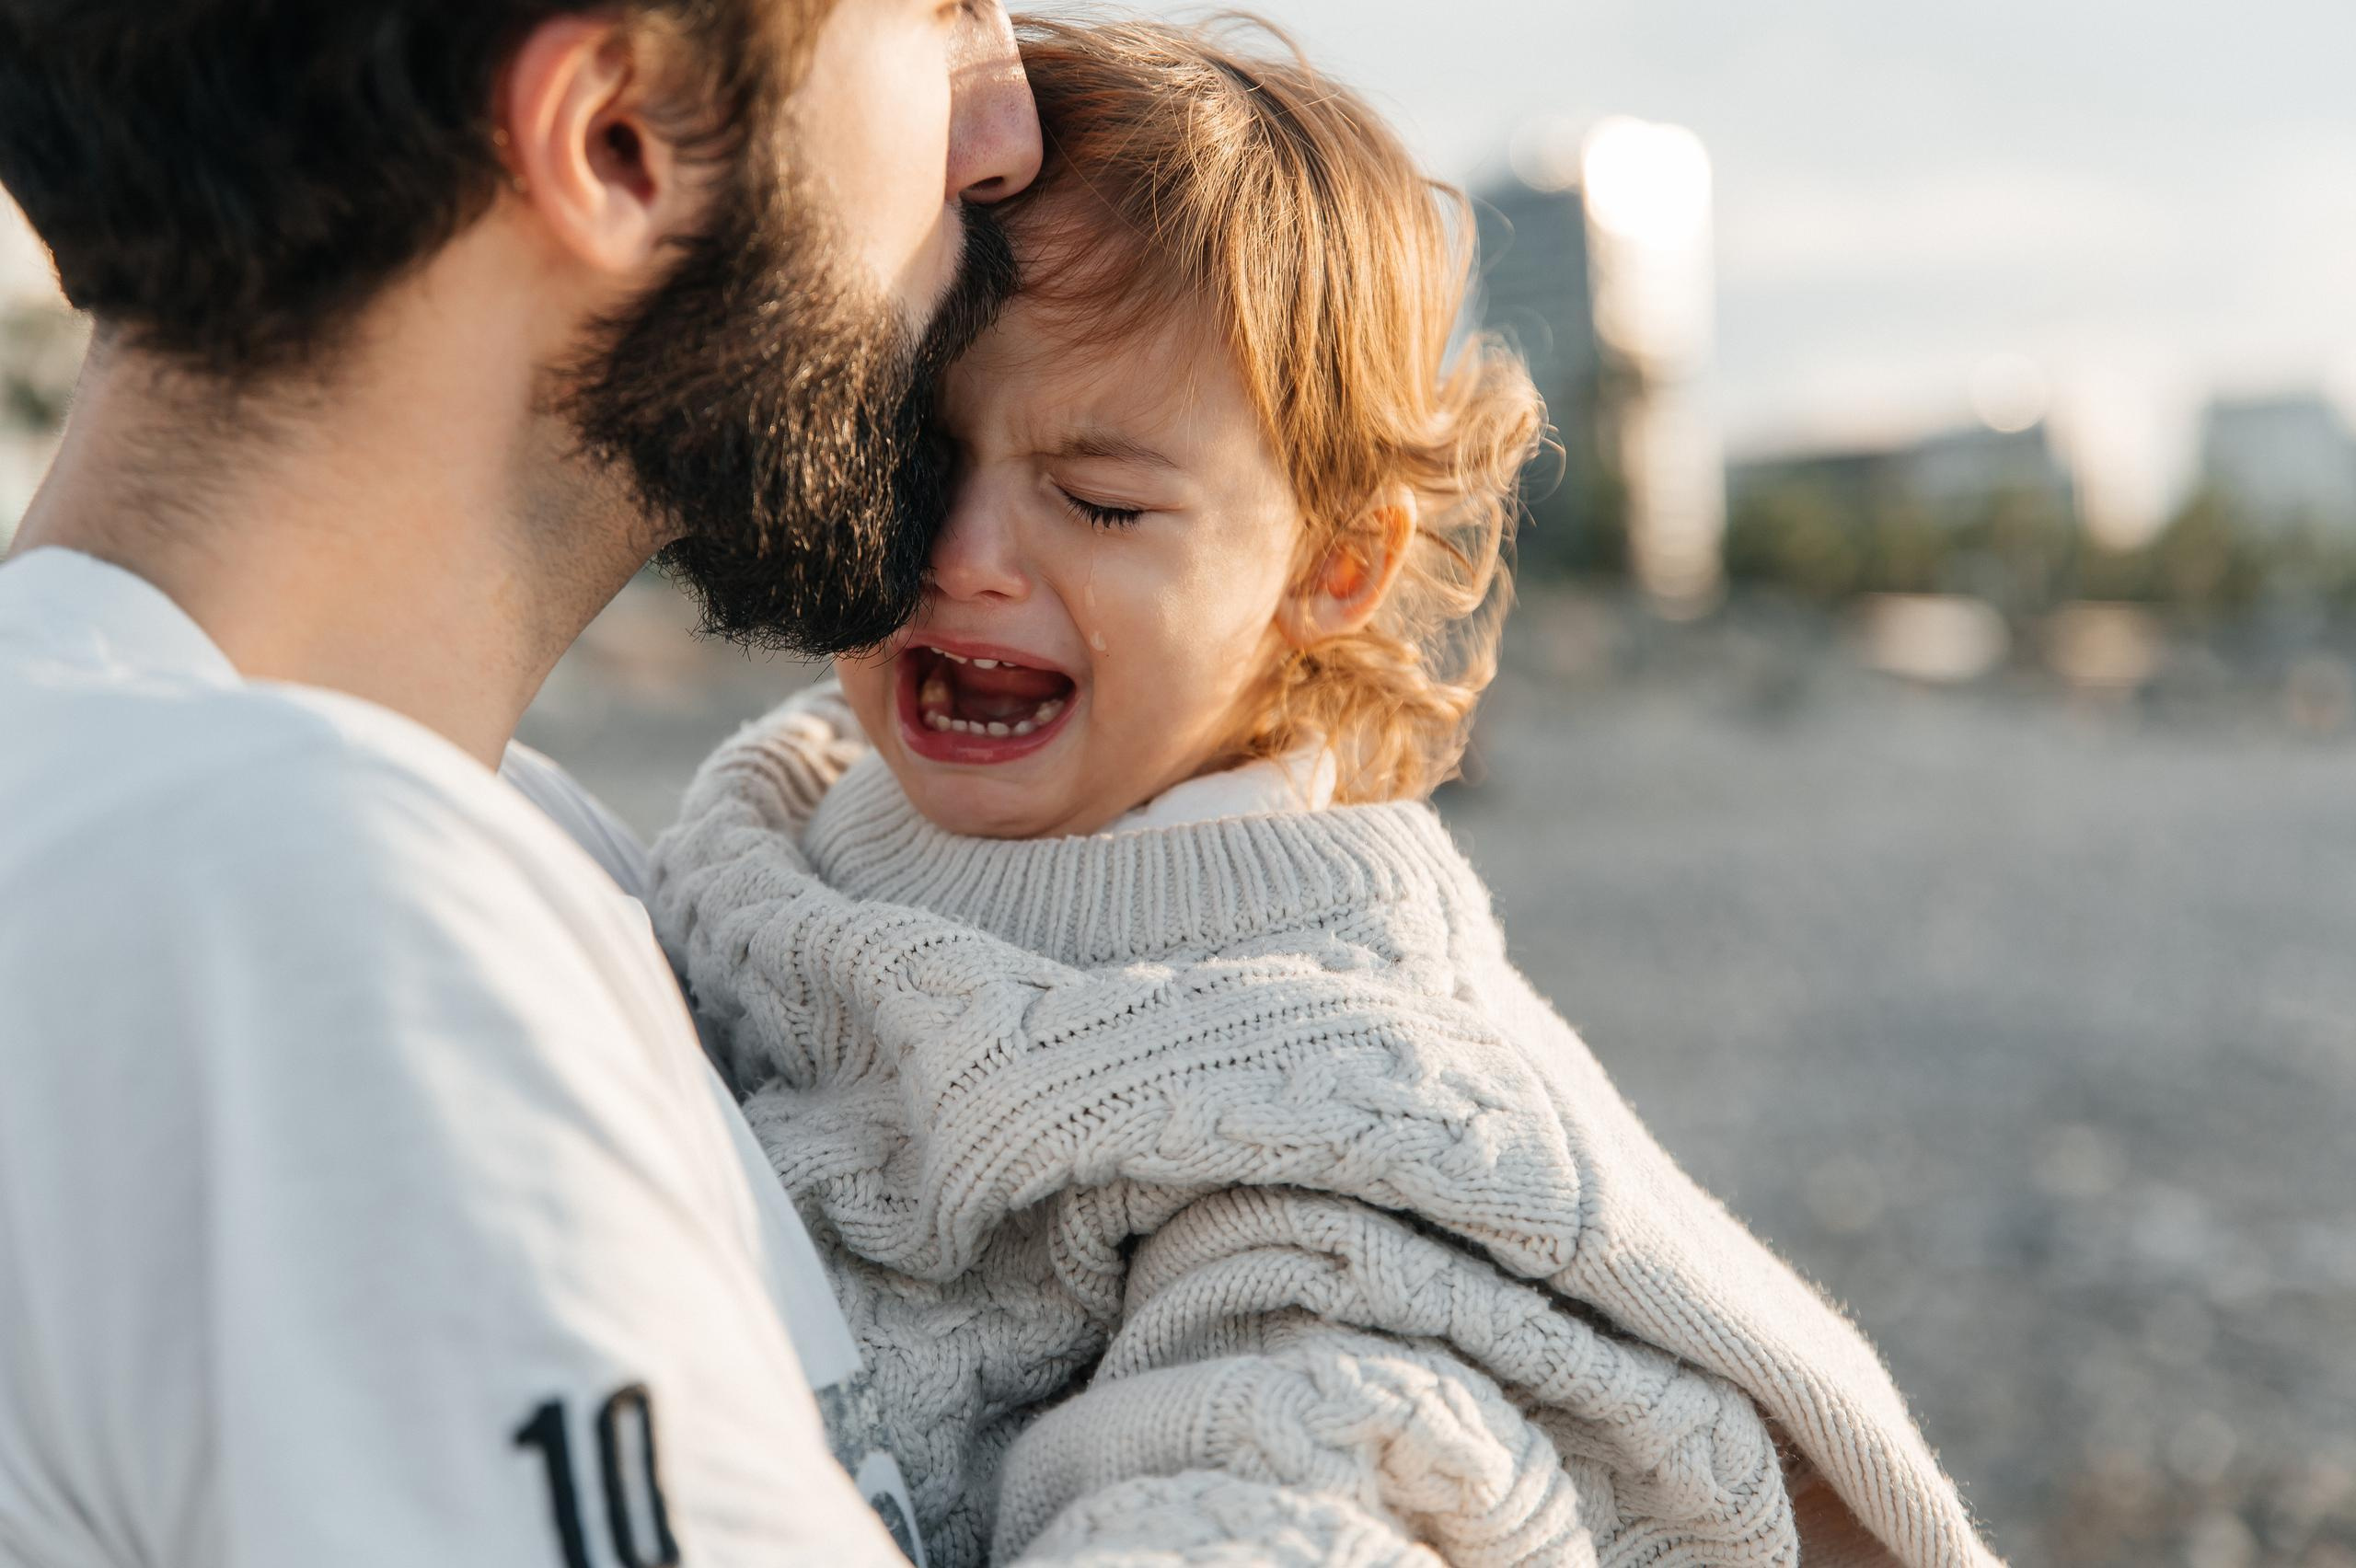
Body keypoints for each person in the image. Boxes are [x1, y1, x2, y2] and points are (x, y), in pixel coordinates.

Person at [651, 18, 2005, 1567]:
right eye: (906, 458)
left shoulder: (1319, 1045)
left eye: (1098, 500)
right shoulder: (757, 834)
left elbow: (1325, 1414)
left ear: (1330, 566)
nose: (964, 555)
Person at [0, 2, 1038, 1564]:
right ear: (614, 139)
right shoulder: (295, 912)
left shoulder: (450, 840)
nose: (1008, 126)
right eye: (938, 12)